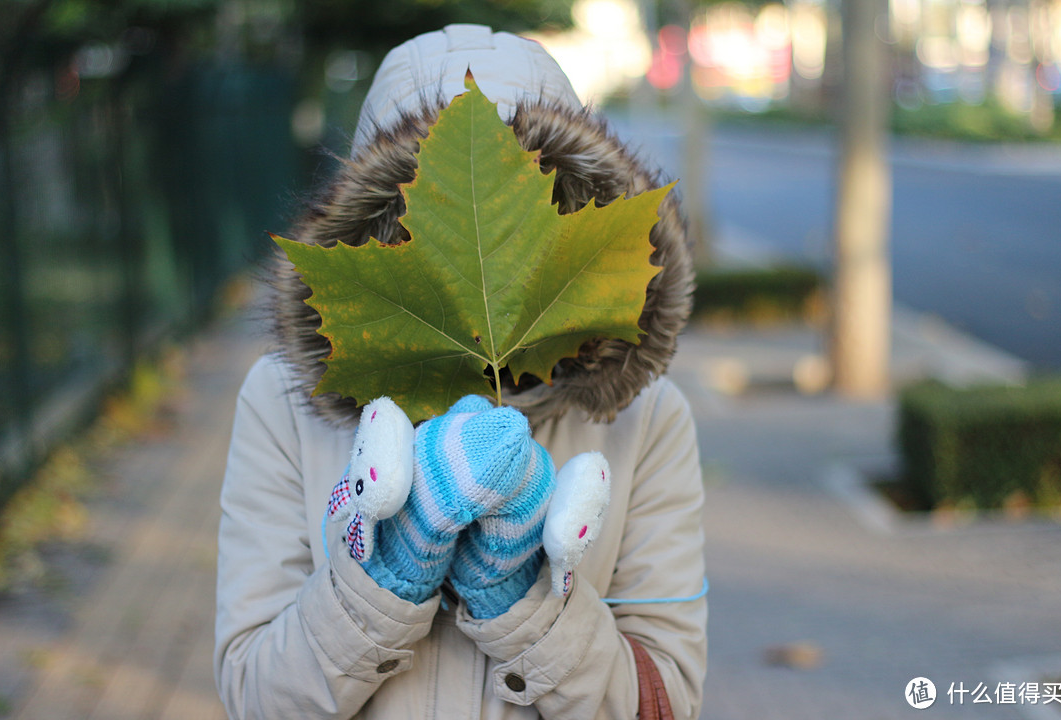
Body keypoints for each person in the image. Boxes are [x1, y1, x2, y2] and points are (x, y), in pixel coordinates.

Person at [214, 23, 706, 720]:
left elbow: (669, 702)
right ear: (374, 230)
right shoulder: (280, 402)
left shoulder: (647, 420)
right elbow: (254, 695)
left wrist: (520, 599)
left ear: (573, 212)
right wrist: (392, 572)